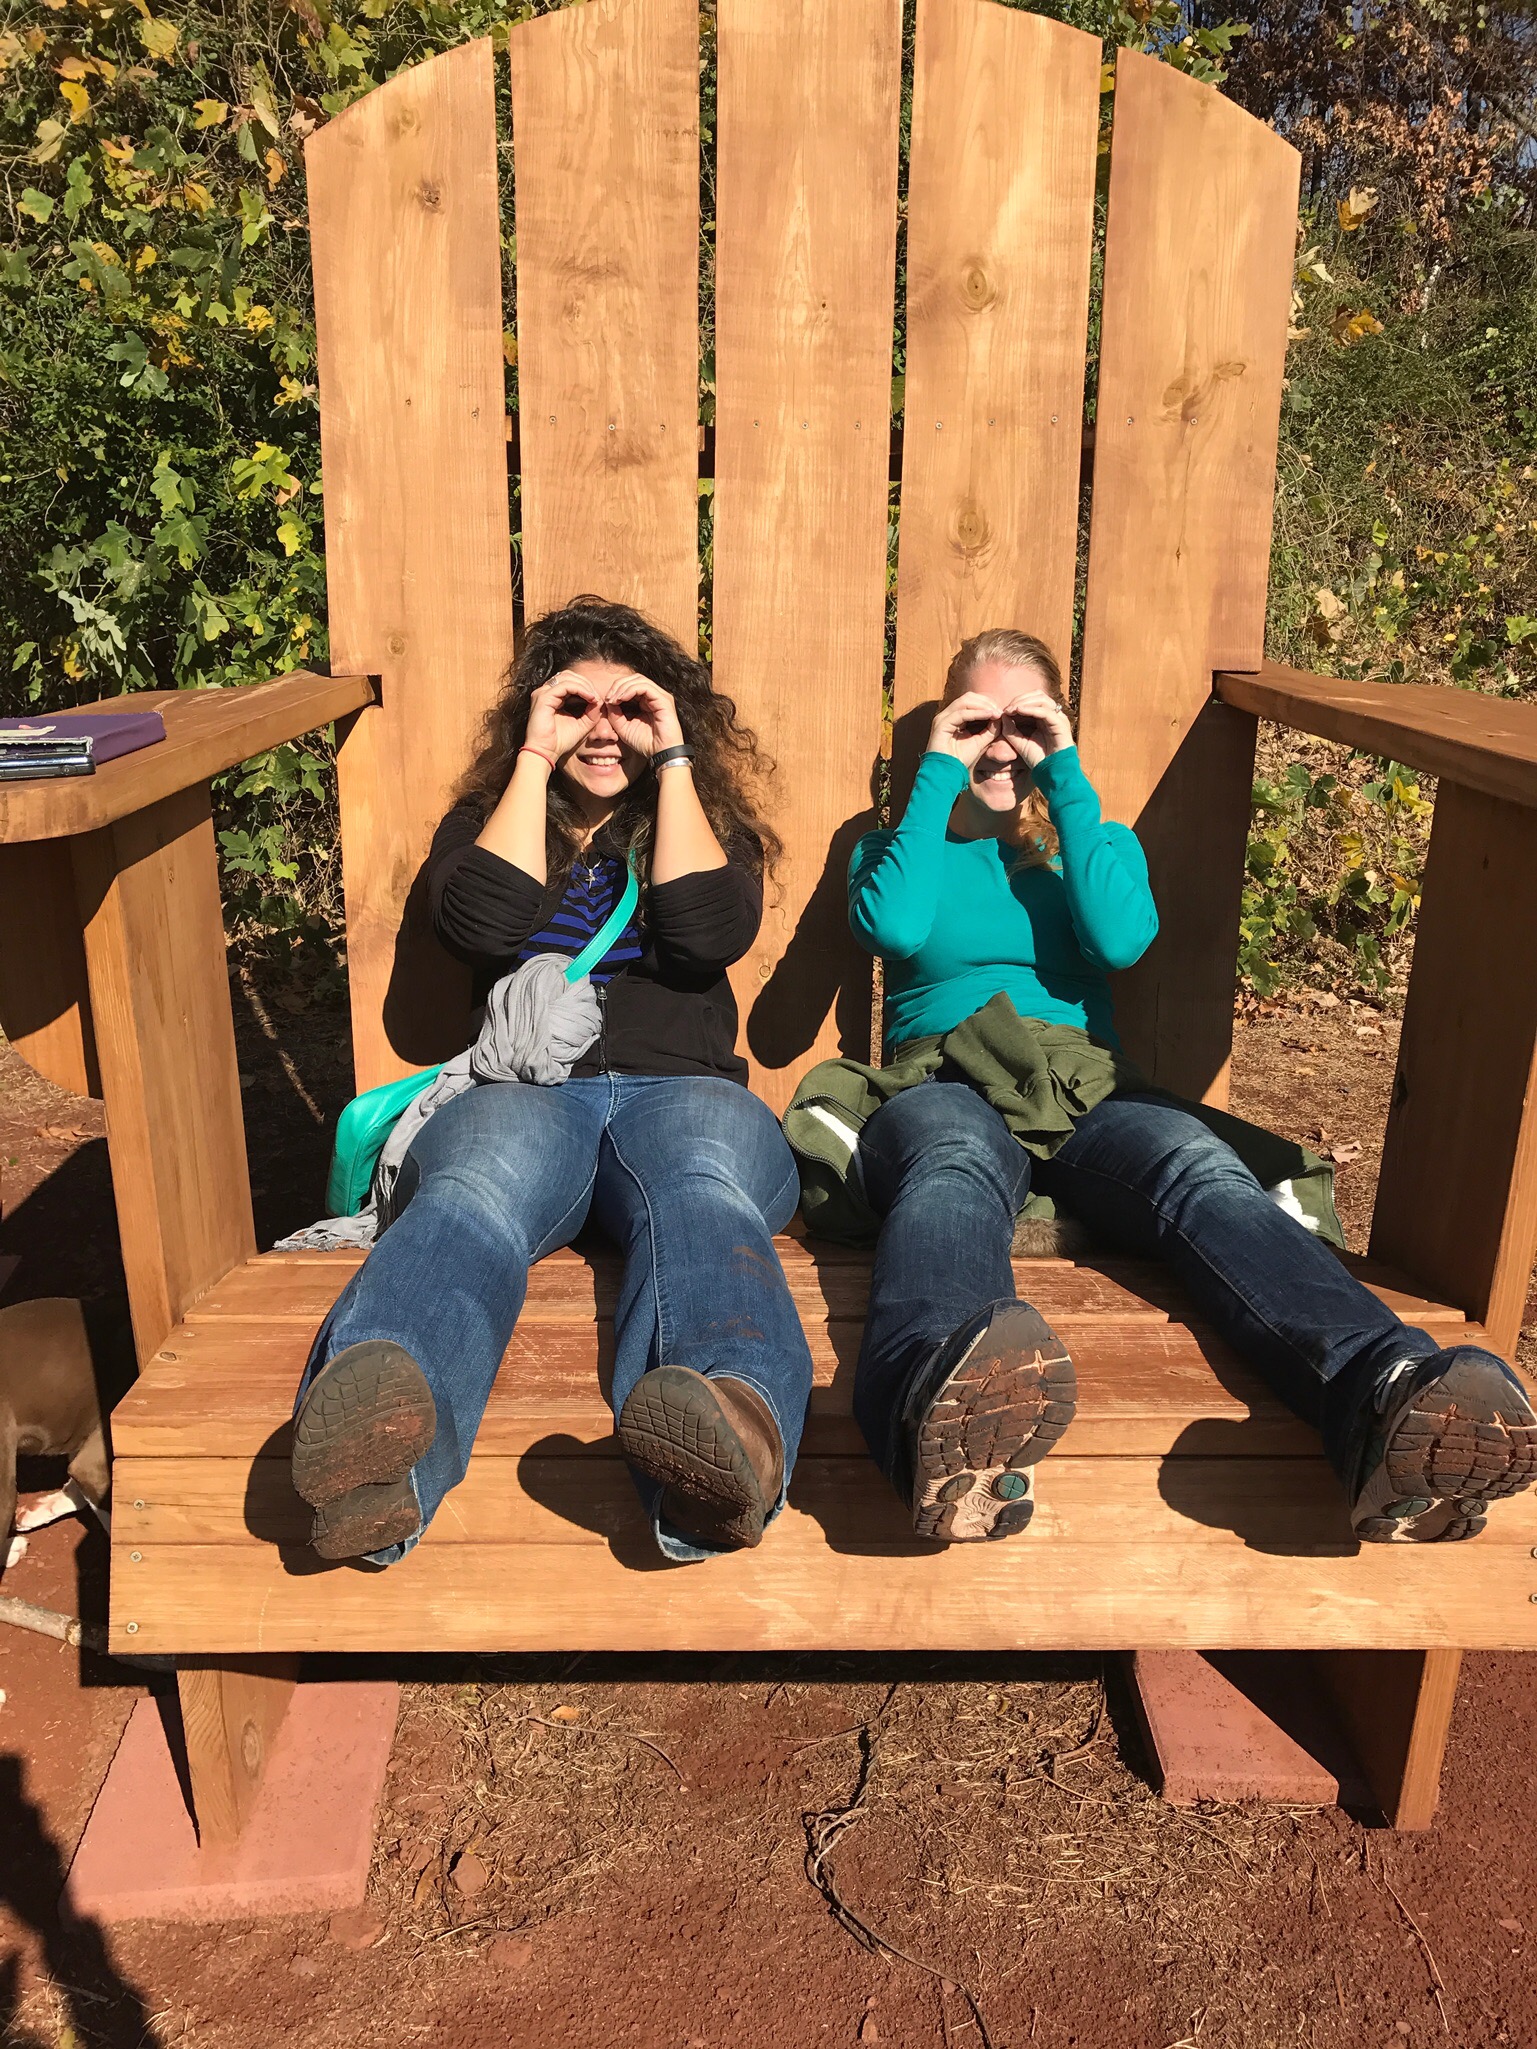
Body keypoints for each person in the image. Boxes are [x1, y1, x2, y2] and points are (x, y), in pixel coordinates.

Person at [845, 626, 1537, 1544]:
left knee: (1192, 1161)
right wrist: (938, 770)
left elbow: (1120, 939)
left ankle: (1386, 1392)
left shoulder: (1093, 845)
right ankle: (934, 1399)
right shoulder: (895, 848)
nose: (1000, 745)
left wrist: (1065, 781)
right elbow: (892, 929)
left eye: (1025, 722)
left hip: (1081, 1080)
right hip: (945, 1068)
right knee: (950, 1159)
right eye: (977, 720)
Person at [289, 597, 811, 1566]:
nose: (602, 730)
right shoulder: (491, 822)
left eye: (631, 708)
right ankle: (378, 1455)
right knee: (472, 1193)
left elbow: (707, 932)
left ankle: (732, 1439)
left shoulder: (701, 825)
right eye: (576, 706)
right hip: (526, 1094)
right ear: (537, 714)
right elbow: (478, 924)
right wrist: (534, 758)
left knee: (699, 1189)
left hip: (682, 1092)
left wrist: (673, 759)